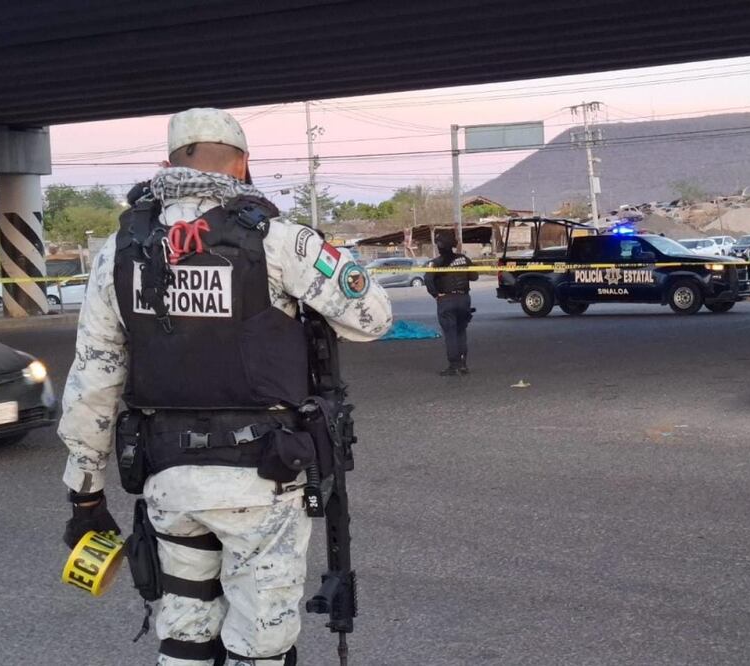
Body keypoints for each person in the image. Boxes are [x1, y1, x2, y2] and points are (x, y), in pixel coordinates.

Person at [58, 108, 393, 666]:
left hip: (168, 477)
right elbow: (373, 319)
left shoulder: (119, 251)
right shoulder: (280, 240)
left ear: (167, 163)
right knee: (260, 642)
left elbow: (94, 378)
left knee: (184, 630)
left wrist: (85, 495)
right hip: (262, 479)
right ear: (242, 164)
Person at [424, 230, 477, 376]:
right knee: (461, 332)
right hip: (464, 299)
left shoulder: (434, 263)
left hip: (446, 300)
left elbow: (428, 280)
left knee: (450, 334)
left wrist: (436, 295)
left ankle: (454, 365)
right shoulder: (464, 259)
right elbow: (474, 276)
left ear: (439, 246)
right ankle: (463, 365)